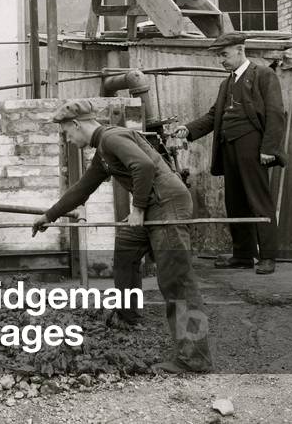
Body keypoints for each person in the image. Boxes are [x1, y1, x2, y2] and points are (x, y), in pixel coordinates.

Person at [32, 100, 212, 374]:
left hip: (167, 205)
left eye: (67, 132)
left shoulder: (112, 138)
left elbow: (144, 166)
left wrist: (137, 208)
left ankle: (195, 358)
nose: (68, 139)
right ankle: (128, 318)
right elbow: (82, 189)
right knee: (126, 249)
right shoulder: (102, 152)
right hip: (153, 204)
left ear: (77, 124)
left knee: (177, 281)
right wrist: (50, 215)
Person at [172, 31, 285, 275]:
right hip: (229, 149)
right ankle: (243, 255)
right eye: (219, 56)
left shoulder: (264, 75)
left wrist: (269, 149)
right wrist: (188, 129)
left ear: (240, 50)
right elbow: (214, 116)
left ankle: (267, 257)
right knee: (235, 203)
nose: (221, 60)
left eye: (224, 55)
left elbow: (276, 113)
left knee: (259, 202)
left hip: (253, 148)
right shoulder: (227, 83)